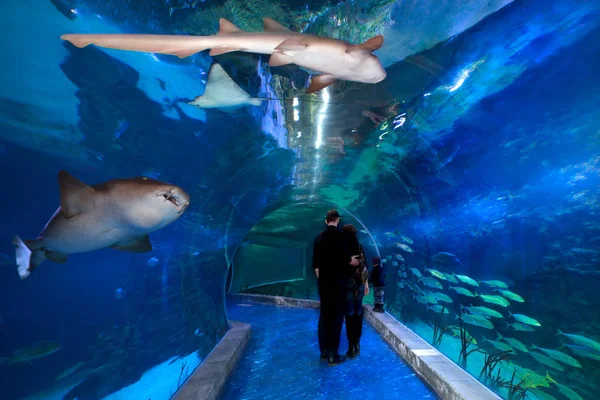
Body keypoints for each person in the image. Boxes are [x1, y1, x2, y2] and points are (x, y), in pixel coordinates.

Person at [313, 209, 359, 366]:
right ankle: (333, 354)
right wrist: (349, 262)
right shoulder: (343, 236)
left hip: (324, 283)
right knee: (337, 317)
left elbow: (316, 266)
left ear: (326, 221)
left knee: (325, 315)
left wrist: (323, 280)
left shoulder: (318, 238)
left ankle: (324, 352)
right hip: (339, 283)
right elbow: (350, 260)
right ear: (337, 220)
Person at [341, 224, 369, 358]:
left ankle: (351, 345)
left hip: (348, 285)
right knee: (358, 313)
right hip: (360, 284)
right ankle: (357, 343)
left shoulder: (342, 247)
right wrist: (366, 284)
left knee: (350, 314)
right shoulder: (360, 246)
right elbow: (365, 266)